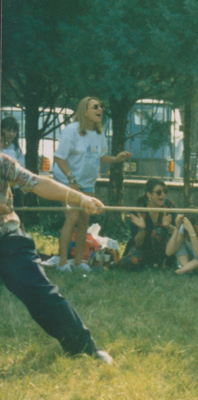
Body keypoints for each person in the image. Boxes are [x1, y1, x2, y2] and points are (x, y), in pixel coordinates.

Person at [0, 153, 112, 364]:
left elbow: (38, 183)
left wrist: (80, 198)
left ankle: (85, 349)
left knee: (41, 294)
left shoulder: (2, 162)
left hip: (8, 238)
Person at [53, 97, 131, 272]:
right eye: (95, 107)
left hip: (87, 183)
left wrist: (115, 159)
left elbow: (100, 157)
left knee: (84, 220)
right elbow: (59, 157)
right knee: (72, 218)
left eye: (101, 107)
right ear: (85, 111)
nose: (100, 110)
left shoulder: (98, 133)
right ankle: (63, 263)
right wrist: (71, 179)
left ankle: (79, 262)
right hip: (68, 182)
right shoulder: (71, 130)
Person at [115, 180, 177, 270]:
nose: (163, 195)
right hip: (144, 248)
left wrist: (168, 227)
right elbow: (137, 243)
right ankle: (107, 267)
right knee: (131, 261)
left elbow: (178, 234)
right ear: (149, 194)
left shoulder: (169, 206)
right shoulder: (139, 210)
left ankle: (162, 264)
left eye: (165, 191)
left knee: (158, 232)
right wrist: (142, 229)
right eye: (159, 192)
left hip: (164, 250)